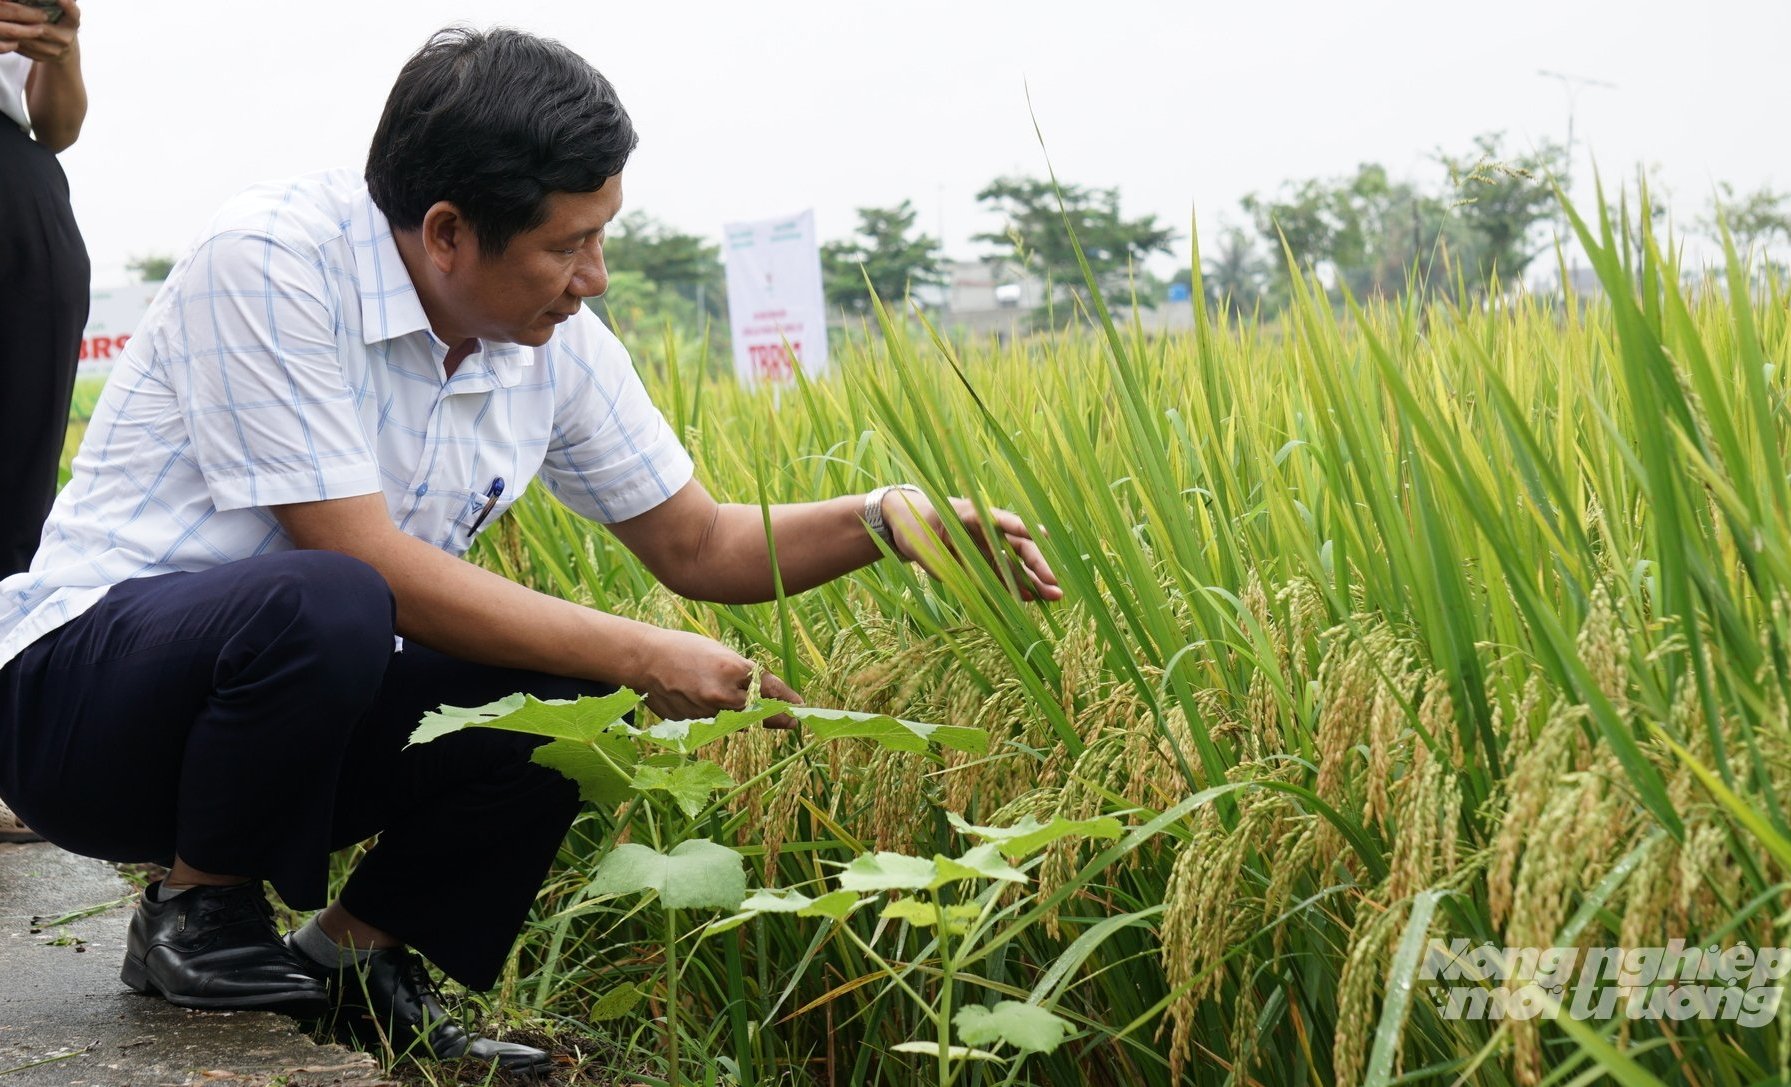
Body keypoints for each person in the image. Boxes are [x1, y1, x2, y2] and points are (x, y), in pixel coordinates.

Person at [0, 25, 1060, 1075]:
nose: (592, 276)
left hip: (291, 727)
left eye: (601, 236)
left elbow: (702, 542)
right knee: (337, 596)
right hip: (88, 712)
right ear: (450, 231)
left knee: (563, 683)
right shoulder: (274, 259)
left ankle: (355, 961)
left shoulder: (546, 343)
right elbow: (355, 554)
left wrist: (884, 519)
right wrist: (648, 653)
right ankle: (196, 911)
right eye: (566, 244)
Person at [0, 0, 86, 845]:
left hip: (19, 190)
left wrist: (60, 51)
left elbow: (54, 126)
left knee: (20, 489)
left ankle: (8, 760)